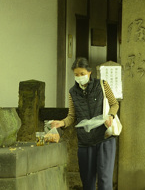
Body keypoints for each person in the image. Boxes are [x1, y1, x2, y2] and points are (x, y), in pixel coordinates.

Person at [49, 58, 119, 190]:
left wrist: (111, 115)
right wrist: (61, 123)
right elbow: (72, 116)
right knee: (87, 183)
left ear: (89, 72)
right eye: (76, 74)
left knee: (104, 181)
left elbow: (114, 104)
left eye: (82, 74)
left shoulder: (102, 85)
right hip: (85, 142)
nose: (79, 77)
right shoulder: (72, 92)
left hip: (104, 138)